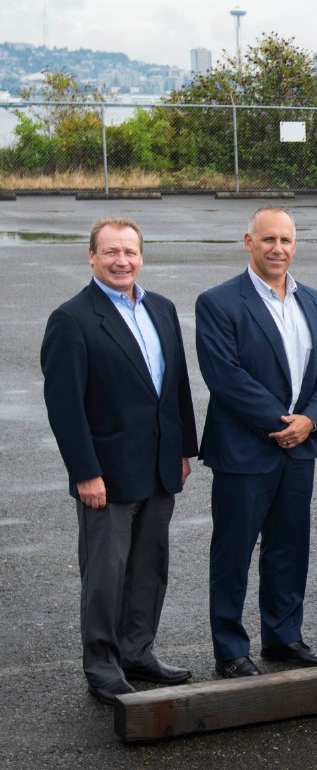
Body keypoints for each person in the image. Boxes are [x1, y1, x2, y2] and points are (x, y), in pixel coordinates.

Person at [40, 218, 198, 705]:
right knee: (105, 575)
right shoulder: (72, 318)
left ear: (142, 256)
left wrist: (182, 449)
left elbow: (175, 387)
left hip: (158, 466)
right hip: (106, 475)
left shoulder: (162, 309)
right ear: (91, 257)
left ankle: (137, 652)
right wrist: (85, 471)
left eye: (129, 251)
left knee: (150, 568)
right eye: (110, 252)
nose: (121, 261)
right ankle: (103, 667)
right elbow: (64, 407)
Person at [195, 207, 317, 678]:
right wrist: (284, 423)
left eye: (286, 240)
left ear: (295, 245)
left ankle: (284, 637)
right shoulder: (218, 303)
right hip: (245, 451)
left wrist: (311, 421)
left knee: (289, 547)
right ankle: (230, 649)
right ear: (248, 242)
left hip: (299, 449)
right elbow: (225, 377)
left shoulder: (313, 300)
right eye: (268, 240)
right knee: (233, 553)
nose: (278, 249)